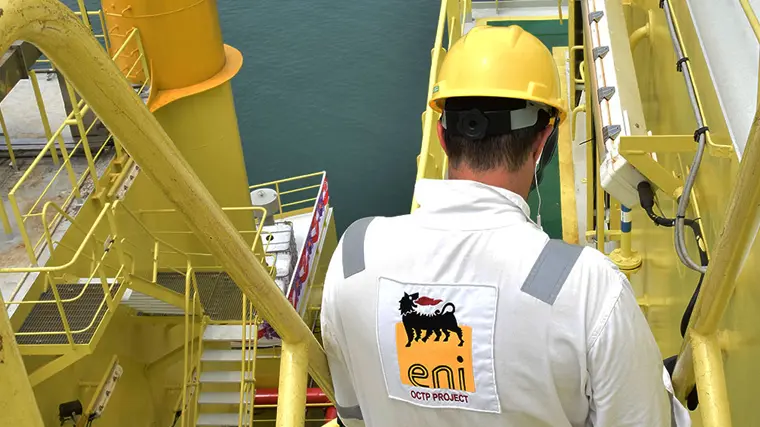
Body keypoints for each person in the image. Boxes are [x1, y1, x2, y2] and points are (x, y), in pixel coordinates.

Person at [320, 25, 689, 426]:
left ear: (442, 136)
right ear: (543, 142)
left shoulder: (353, 258)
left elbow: (352, 413)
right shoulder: (588, 287)